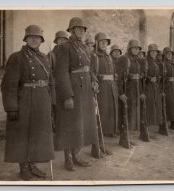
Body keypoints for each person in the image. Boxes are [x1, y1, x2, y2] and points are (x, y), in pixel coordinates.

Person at [1, 25, 55, 180]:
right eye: (31, 37)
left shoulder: (44, 57)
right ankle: (23, 167)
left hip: (41, 100)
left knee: (37, 134)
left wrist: (51, 102)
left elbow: (50, 81)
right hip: (24, 100)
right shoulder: (17, 57)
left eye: (37, 37)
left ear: (41, 40)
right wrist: (11, 106)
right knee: (23, 134)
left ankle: (32, 164)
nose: (34, 39)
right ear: (26, 39)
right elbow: (8, 85)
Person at [54, 17, 99, 171]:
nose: (81, 31)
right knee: (69, 124)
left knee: (81, 124)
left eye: (82, 29)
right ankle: (68, 159)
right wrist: (67, 95)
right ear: (71, 30)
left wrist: (94, 81)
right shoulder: (65, 47)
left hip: (85, 89)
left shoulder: (84, 48)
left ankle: (77, 155)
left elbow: (89, 67)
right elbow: (61, 73)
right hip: (73, 89)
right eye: (78, 28)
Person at [92, 32, 118, 156]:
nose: (104, 43)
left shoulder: (108, 57)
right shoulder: (94, 56)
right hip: (100, 90)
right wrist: (97, 79)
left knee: (106, 118)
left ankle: (102, 144)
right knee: (98, 118)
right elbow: (90, 73)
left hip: (110, 89)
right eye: (101, 41)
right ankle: (96, 147)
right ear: (96, 43)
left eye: (106, 42)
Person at [116, 39, 146, 145]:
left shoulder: (136, 60)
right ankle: (123, 138)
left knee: (133, 115)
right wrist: (120, 93)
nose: (136, 50)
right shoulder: (124, 59)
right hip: (127, 91)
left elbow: (140, 79)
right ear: (129, 48)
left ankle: (127, 137)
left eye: (138, 48)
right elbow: (118, 78)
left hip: (135, 92)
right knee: (126, 114)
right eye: (134, 48)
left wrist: (141, 92)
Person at [145, 44, 163, 135]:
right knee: (149, 105)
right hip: (148, 86)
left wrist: (157, 78)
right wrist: (149, 79)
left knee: (156, 105)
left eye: (155, 52)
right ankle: (146, 128)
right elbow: (143, 76)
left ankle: (155, 124)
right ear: (149, 52)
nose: (154, 53)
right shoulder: (146, 62)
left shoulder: (156, 62)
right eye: (152, 51)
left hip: (155, 86)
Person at [161, 47, 174, 130]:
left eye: (170, 54)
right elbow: (161, 77)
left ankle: (173, 121)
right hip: (166, 86)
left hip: (173, 86)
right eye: (167, 54)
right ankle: (165, 122)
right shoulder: (162, 64)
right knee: (167, 104)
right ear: (164, 55)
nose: (169, 55)